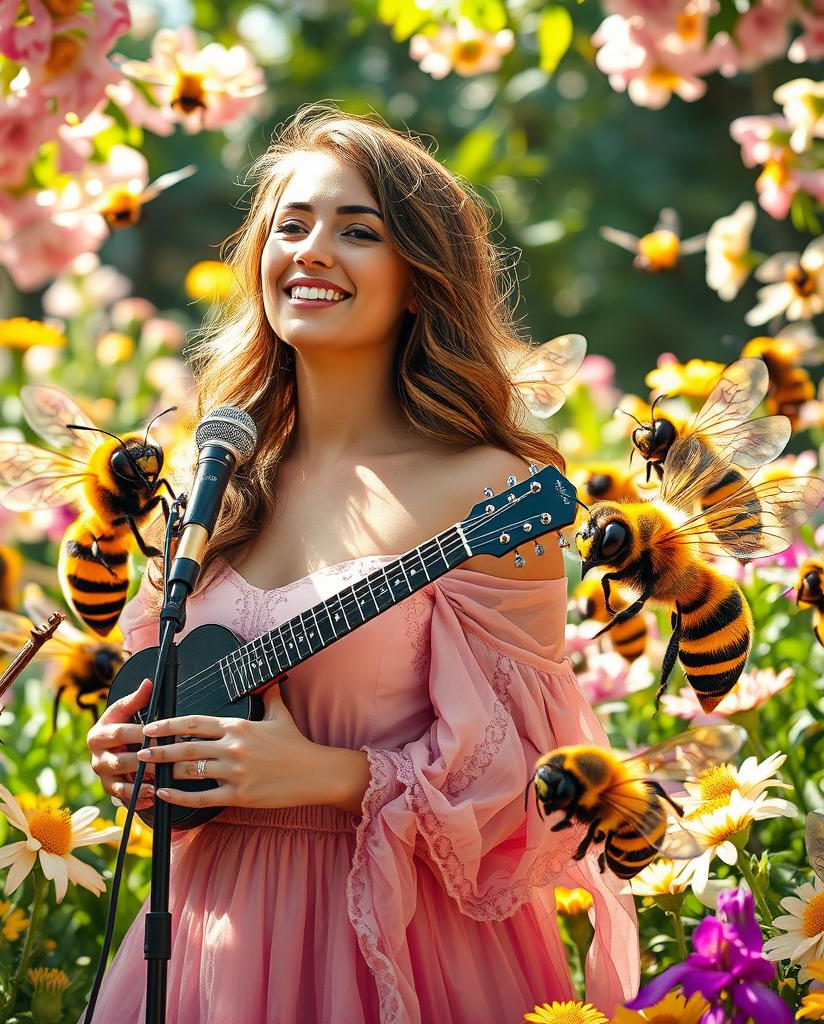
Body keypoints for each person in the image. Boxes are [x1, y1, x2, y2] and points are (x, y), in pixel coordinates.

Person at [85, 102, 639, 1024]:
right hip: (202, 944)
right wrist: (139, 751)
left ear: (420, 280)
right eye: (290, 224)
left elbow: (536, 777)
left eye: (358, 230)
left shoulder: (489, 492)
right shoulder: (223, 476)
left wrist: (330, 777)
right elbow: (176, 691)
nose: (311, 249)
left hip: (401, 940)